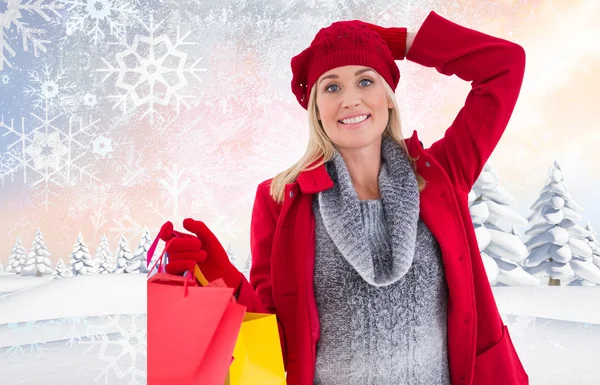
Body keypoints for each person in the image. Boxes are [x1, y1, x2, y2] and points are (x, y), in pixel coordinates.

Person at [159, 10, 529, 385]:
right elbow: (275, 349)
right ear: (316, 109)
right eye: (332, 87)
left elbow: (504, 65)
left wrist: (401, 43)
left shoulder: (440, 175)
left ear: (388, 96)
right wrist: (224, 284)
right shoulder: (280, 201)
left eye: (365, 81)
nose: (350, 100)